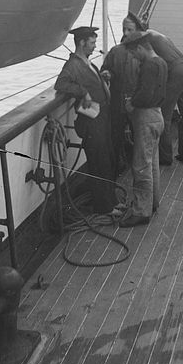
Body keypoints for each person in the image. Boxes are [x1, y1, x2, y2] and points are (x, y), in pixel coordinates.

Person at [53, 26, 118, 214]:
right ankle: (104, 208)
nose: (94, 46)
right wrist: (83, 92)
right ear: (81, 43)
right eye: (92, 42)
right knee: (98, 163)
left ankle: (111, 202)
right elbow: (61, 83)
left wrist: (101, 78)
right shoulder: (73, 65)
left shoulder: (87, 62)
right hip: (91, 123)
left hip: (101, 119)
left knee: (107, 160)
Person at [121, 12, 183, 166]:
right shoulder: (154, 34)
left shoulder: (144, 40)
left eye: (129, 29)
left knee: (164, 114)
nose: (126, 33)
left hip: (175, 73)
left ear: (138, 28)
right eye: (124, 30)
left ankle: (164, 156)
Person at [116, 31, 167, 226]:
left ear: (139, 48)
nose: (134, 57)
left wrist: (131, 103)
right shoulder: (161, 62)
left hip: (146, 117)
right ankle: (153, 202)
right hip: (157, 115)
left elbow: (145, 94)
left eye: (134, 53)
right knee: (152, 162)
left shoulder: (148, 65)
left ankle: (141, 211)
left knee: (141, 165)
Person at [101, 31, 141, 174]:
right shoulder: (115, 52)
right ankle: (119, 165)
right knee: (118, 135)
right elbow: (107, 69)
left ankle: (124, 165)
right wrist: (107, 73)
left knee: (130, 134)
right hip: (120, 100)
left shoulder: (119, 51)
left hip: (133, 100)